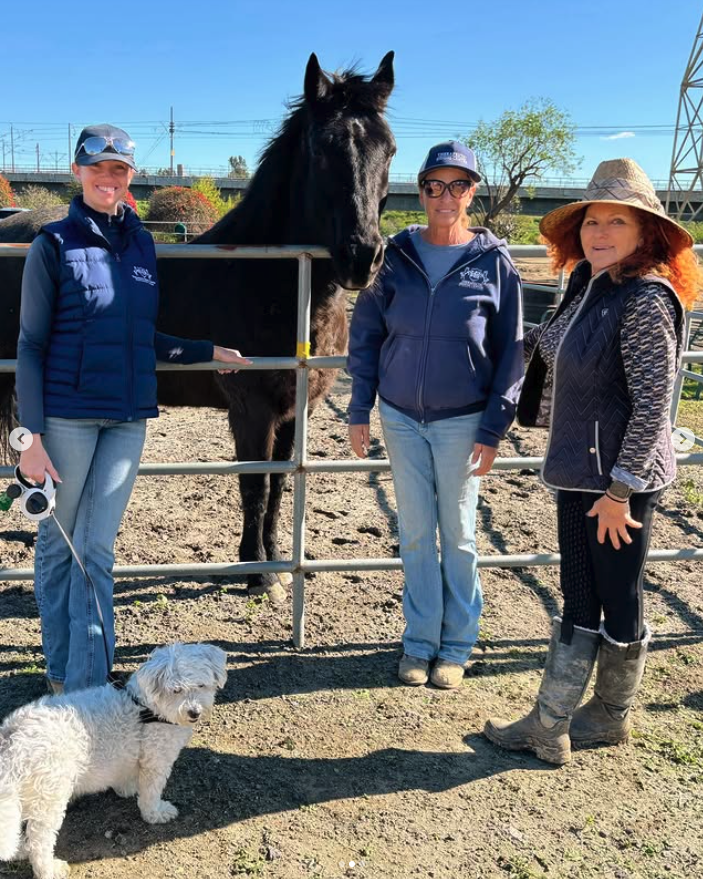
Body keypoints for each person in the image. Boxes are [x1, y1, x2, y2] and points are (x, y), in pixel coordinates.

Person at [15, 124, 250, 694]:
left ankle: (88, 685)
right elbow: (30, 345)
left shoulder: (142, 245)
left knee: (96, 549)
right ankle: (59, 667)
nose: (109, 178)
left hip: (126, 419)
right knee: (59, 545)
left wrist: (203, 352)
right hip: (67, 418)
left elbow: (142, 335)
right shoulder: (53, 245)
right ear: (78, 173)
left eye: (119, 170)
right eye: (98, 168)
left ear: (130, 178)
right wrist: (32, 438)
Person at [484, 158, 701, 764]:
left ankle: (608, 716)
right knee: (578, 594)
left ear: (646, 234)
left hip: (617, 483)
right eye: (591, 221)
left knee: (619, 594)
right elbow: (545, 344)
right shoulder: (587, 284)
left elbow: (657, 400)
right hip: (579, 471)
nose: (599, 233)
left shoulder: (646, 299)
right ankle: (550, 720)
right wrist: (481, 348)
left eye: (616, 222)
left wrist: (622, 491)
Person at [347, 141, 524, 689]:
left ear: (472, 192)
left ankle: (457, 643)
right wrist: (360, 408)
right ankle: (419, 642)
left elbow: (512, 353)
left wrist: (494, 426)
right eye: (434, 185)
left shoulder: (494, 263)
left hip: (463, 422)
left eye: (458, 185)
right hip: (401, 417)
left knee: (462, 534)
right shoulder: (395, 257)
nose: (445, 197)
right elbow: (367, 335)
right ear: (420, 190)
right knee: (419, 534)